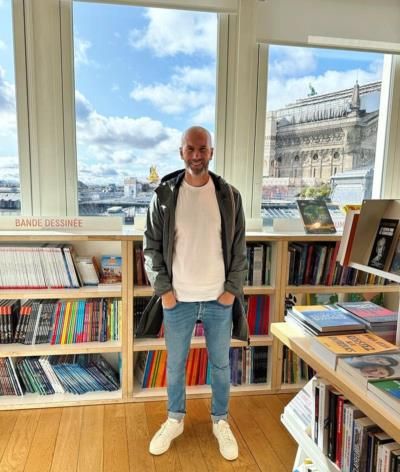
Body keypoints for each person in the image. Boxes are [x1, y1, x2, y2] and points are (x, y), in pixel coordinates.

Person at [143, 126, 247, 461]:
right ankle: (175, 419)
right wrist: (165, 292)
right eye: (190, 149)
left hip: (219, 299)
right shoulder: (163, 196)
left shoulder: (229, 195)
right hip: (178, 299)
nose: (197, 155)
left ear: (211, 152)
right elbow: (151, 248)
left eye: (202, 149)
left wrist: (231, 290)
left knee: (219, 365)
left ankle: (220, 421)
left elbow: (239, 248)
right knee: (175, 365)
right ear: (181, 152)